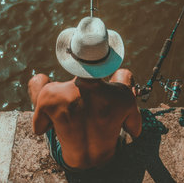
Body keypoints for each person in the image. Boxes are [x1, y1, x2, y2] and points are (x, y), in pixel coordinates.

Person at [28, 16, 142, 177]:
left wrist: (60, 117)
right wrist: (130, 102)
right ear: (107, 57)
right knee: (124, 74)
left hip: (69, 163)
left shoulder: (50, 94)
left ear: (72, 55)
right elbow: (136, 132)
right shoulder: (124, 96)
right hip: (110, 160)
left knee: (38, 81)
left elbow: (38, 129)